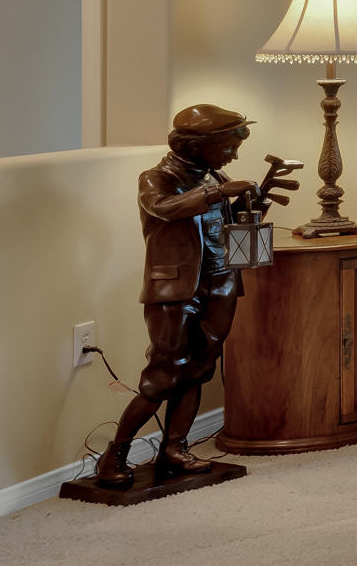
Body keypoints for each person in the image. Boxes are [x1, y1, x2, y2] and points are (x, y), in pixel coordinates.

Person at [87, 106, 298, 489]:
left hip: (220, 281)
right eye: (227, 148)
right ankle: (113, 455)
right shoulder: (157, 179)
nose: (232, 156)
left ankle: (175, 448)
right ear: (197, 146)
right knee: (163, 376)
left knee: (200, 367)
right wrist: (219, 191)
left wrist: (258, 197)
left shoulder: (215, 175)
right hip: (175, 289)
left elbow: (225, 217)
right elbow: (165, 209)